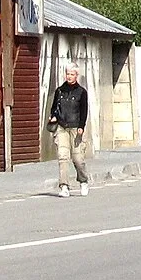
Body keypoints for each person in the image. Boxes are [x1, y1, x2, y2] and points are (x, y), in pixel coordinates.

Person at [47, 64, 90, 197]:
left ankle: (83, 181)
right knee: (63, 156)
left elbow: (84, 111)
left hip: (76, 127)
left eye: (72, 74)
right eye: (68, 74)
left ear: (76, 76)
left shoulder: (81, 92)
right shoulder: (60, 91)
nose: (69, 76)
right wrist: (53, 116)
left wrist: (81, 126)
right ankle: (64, 186)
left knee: (77, 158)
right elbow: (54, 107)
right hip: (62, 127)